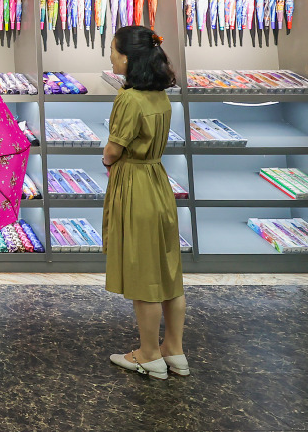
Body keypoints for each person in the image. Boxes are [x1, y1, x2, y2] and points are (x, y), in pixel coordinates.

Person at [103, 26, 187, 380]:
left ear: (127, 58)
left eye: (113, 50)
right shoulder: (161, 96)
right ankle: (175, 350)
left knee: (143, 275)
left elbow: (114, 149)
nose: (109, 56)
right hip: (158, 181)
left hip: (134, 184)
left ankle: (148, 354)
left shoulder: (129, 98)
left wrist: (107, 161)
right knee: (168, 273)